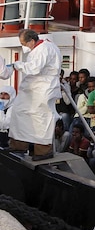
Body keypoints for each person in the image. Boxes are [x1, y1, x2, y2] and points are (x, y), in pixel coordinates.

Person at [0, 29, 63, 161]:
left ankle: (43, 150)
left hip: (43, 87)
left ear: (32, 41)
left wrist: (18, 65)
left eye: (23, 43)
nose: (23, 46)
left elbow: (35, 68)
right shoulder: (38, 48)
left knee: (40, 118)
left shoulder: (45, 48)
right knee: (19, 111)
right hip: (31, 88)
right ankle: (18, 145)